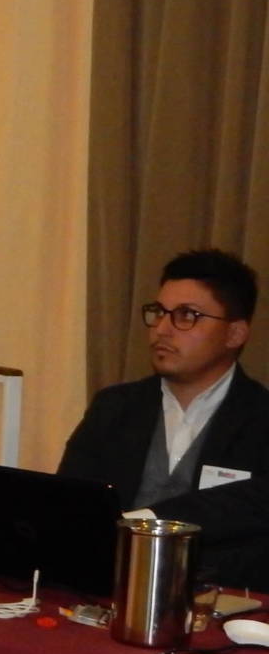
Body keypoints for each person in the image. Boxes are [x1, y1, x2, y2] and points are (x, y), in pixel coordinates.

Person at [58, 248, 269, 585]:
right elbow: (70, 504)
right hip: (106, 589)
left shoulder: (260, 417)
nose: (162, 329)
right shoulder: (114, 407)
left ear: (235, 334)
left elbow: (253, 510)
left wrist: (143, 522)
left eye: (187, 315)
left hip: (219, 597)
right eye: (159, 312)